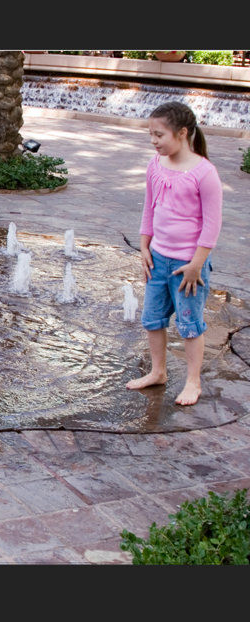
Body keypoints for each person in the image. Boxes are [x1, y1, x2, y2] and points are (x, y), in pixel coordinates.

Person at [126, 101, 223, 406]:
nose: (153, 141)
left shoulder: (204, 173)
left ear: (182, 133)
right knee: (153, 319)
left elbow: (212, 225)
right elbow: (149, 207)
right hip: (157, 258)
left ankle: (193, 381)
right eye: (150, 135)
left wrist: (196, 265)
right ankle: (158, 371)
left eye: (159, 135)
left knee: (189, 323)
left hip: (187, 265)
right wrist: (144, 246)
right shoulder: (155, 165)